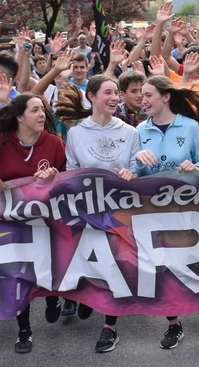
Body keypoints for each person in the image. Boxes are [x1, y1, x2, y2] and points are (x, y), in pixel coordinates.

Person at [0, 94, 67, 354]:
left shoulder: (54, 143)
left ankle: (53, 297)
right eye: (35, 110)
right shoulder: (0, 142)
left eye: (43, 110)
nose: (42, 115)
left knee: (48, 267)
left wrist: (54, 175)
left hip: (45, 220)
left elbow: (68, 179)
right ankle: (24, 329)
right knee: (19, 274)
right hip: (12, 221)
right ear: (20, 117)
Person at [56, 75, 141, 352]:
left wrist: (132, 173)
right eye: (108, 92)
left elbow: (136, 167)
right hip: (87, 210)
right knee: (91, 263)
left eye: (117, 93)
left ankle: (110, 327)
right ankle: (89, 297)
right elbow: (70, 170)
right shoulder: (76, 134)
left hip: (119, 210)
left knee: (116, 264)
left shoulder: (130, 132)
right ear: (91, 96)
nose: (115, 98)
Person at [131, 76, 199, 349]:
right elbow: (133, 171)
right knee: (159, 265)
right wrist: (136, 163)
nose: (143, 101)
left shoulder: (189, 126)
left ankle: (189, 304)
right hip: (151, 209)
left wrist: (195, 167)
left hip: (184, 207)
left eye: (148, 95)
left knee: (179, 264)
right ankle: (174, 323)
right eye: (141, 95)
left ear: (165, 97)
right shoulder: (139, 130)